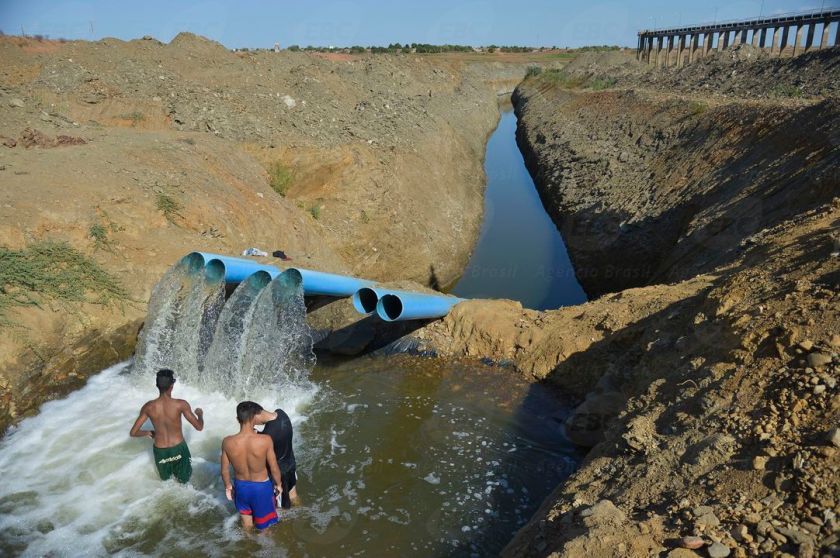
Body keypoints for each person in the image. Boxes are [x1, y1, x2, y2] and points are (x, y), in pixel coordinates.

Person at [129, 368, 204, 484]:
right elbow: (199, 427)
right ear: (172, 385)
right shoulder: (180, 404)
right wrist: (200, 415)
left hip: (161, 451)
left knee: (167, 485)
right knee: (185, 485)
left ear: (157, 385)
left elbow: (133, 432)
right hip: (178, 448)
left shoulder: (148, 407)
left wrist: (148, 432)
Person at [221, 401, 283, 531]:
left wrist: (228, 487)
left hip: (241, 488)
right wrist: (278, 484)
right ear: (254, 418)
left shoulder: (227, 442)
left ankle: (248, 548)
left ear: (238, 419)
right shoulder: (265, 440)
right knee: (265, 528)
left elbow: (224, 470)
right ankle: (264, 550)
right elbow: (274, 467)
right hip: (261, 489)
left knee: (247, 526)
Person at [256, 407, 300, 509]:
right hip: (290, 464)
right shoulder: (281, 413)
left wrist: (257, 435)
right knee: (293, 494)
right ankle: (301, 512)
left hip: (278, 473)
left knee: (280, 505)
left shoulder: (267, 435)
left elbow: (265, 451)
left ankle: (286, 524)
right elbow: (277, 439)